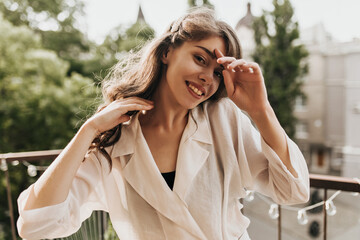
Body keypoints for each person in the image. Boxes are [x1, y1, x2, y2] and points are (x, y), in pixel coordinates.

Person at [17, 7, 309, 240]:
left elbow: (293, 191)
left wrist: (261, 110)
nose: (208, 77)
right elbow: (35, 225)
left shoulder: (223, 118)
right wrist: (89, 130)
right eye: (199, 58)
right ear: (167, 52)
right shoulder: (115, 139)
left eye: (218, 72)